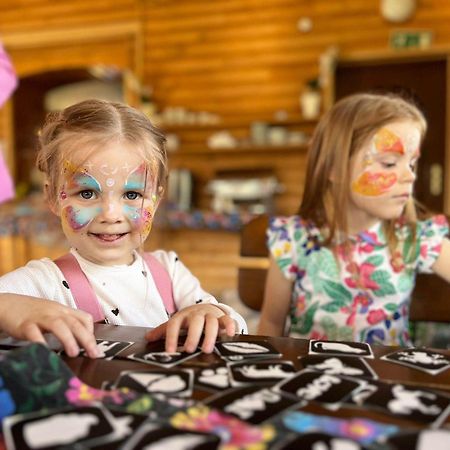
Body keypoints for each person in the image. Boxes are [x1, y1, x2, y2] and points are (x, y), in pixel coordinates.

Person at [0, 99, 247, 357]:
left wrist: (215, 316)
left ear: (156, 198)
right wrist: (8, 307)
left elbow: (235, 327)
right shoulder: (44, 282)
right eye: (86, 193)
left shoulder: (169, 272)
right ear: (52, 197)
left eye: (131, 195)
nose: (110, 214)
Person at [258, 92, 450, 346]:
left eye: (412, 164)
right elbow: (271, 324)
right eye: (390, 163)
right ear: (334, 169)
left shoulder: (415, 238)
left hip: (388, 380)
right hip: (311, 377)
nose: (410, 177)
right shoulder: (294, 239)